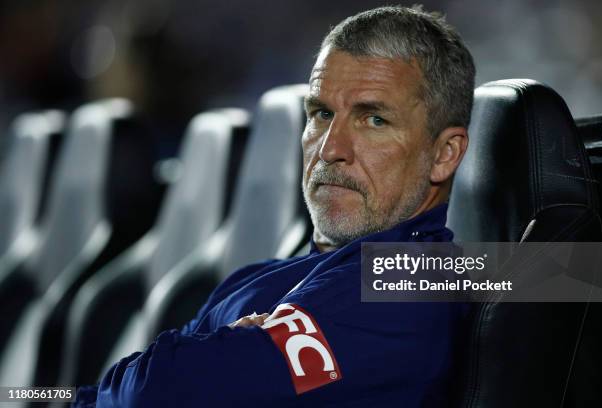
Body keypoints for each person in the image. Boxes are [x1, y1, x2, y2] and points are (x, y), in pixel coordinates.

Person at [74, 5, 475, 407]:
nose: (330, 149)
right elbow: (97, 396)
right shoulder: (262, 277)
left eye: (374, 121)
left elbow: (156, 393)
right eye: (321, 114)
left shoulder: (411, 283)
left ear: (445, 154)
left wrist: (201, 350)